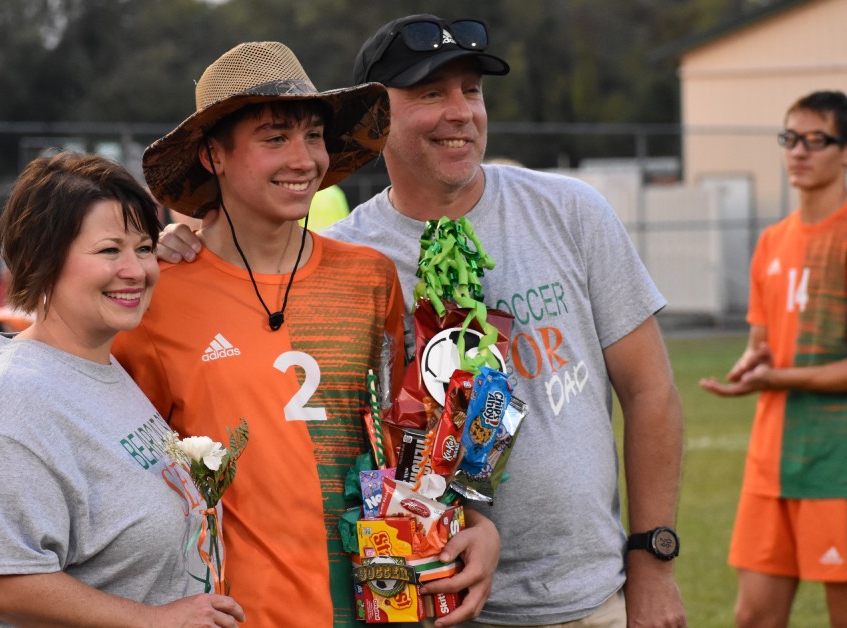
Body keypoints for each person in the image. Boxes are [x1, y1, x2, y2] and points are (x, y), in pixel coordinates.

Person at [158, 16, 687, 627]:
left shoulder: (571, 213)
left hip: (588, 597)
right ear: (380, 118)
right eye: (431, 94)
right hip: (426, 602)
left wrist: (653, 561)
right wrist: (183, 251)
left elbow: (651, 393)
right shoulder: (349, 263)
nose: (460, 112)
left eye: (472, 91)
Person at [112, 41, 500, 627]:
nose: (303, 159)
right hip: (231, 614)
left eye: (312, 136)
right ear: (215, 155)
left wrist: (474, 523)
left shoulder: (369, 278)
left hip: (380, 604)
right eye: (275, 138)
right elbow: (114, 462)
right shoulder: (157, 298)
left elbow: (409, 446)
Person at [0, 151, 244, 627]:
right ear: (42, 259)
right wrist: (153, 620)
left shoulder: (98, 366)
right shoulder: (12, 401)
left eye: (143, 247)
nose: (136, 270)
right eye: (109, 250)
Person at [700, 91, 847, 628]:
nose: (799, 152)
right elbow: (762, 343)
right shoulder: (771, 242)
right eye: (791, 139)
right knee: (753, 617)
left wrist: (780, 377)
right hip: (771, 464)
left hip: (841, 464)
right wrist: (750, 364)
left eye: (817, 140)